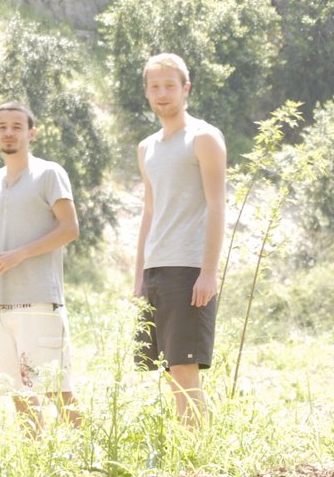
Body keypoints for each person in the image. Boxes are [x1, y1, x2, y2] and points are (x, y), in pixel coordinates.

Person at [132, 53, 227, 424]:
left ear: (185, 88)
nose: (162, 93)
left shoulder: (203, 137)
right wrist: (139, 277)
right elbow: (150, 212)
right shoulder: (146, 147)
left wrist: (208, 271)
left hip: (188, 268)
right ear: (146, 92)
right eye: (154, 86)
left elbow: (217, 206)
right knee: (171, 372)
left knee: (186, 371)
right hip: (156, 269)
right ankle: (186, 451)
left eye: (170, 85)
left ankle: (197, 456)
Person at [0, 101, 82, 435]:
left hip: (40, 302)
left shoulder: (49, 174)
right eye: (2, 126)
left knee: (56, 389)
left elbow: (70, 229)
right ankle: (34, 463)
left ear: (31, 133)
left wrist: (20, 254)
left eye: (16, 127)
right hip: (3, 304)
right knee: (18, 392)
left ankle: (93, 463)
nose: (9, 132)